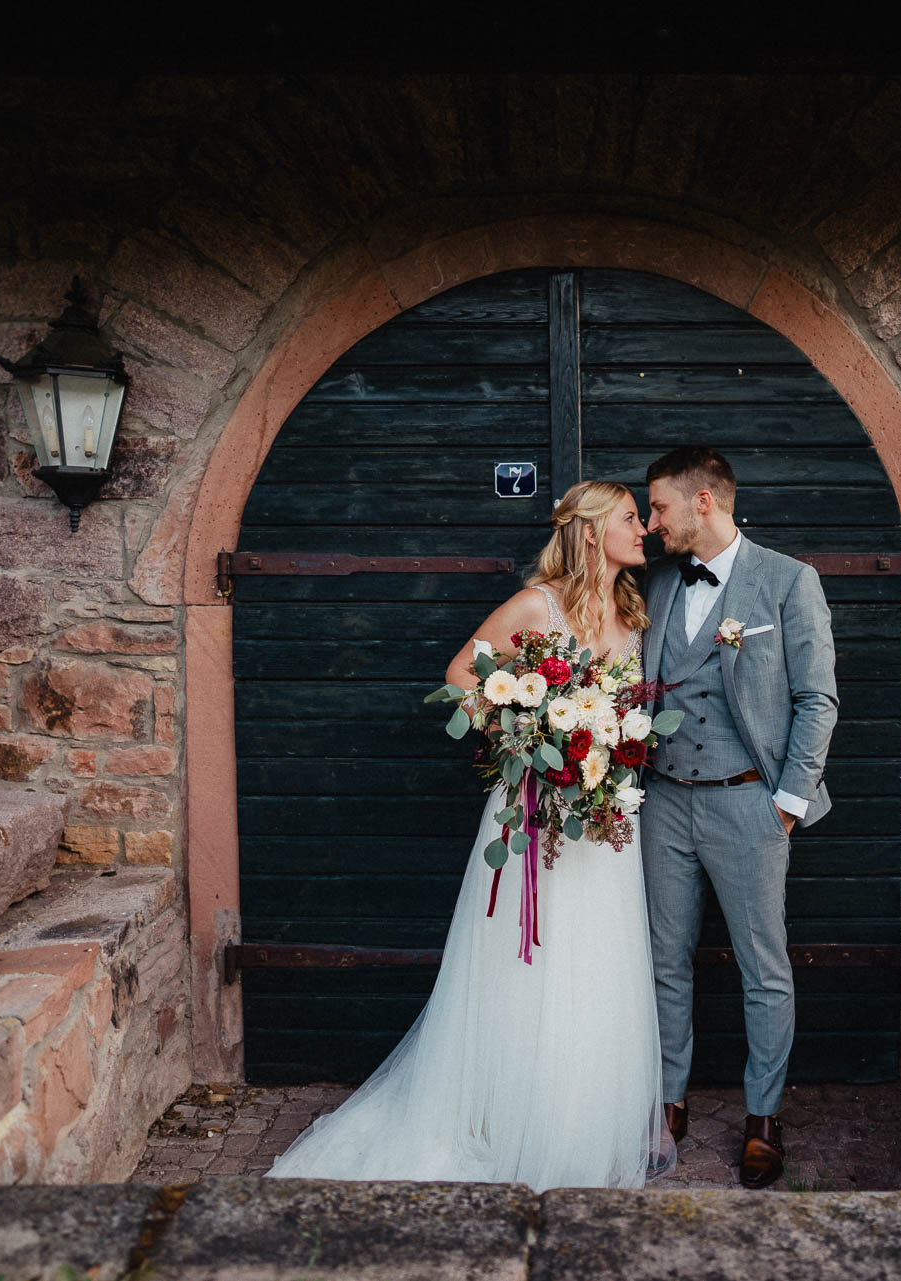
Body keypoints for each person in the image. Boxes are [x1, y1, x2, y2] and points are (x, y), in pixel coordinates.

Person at [264, 480, 673, 1191]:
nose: (644, 529)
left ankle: (579, 1119)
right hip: (537, 808)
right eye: (631, 518)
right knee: (532, 968)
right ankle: (509, 1116)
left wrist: (604, 749)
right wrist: (533, 734)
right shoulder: (537, 604)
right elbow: (461, 674)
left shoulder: (633, 612)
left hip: (605, 820)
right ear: (590, 530)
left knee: (598, 960)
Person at [639, 445, 838, 1189]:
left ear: (703, 502)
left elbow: (817, 698)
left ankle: (763, 1115)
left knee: (764, 965)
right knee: (664, 958)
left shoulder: (788, 580)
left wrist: (786, 802)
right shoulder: (656, 583)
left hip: (749, 800)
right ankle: (667, 1102)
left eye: (659, 506)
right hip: (662, 801)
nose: (651, 522)